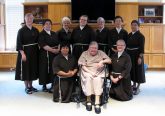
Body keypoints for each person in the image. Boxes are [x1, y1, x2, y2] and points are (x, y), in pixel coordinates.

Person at [78, 41, 111, 114]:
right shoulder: (84, 53)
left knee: (98, 79)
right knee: (88, 78)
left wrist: (102, 62)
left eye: (95, 48)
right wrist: (91, 73)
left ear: (98, 48)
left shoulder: (101, 52)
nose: (93, 49)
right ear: (89, 48)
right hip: (87, 71)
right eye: (92, 48)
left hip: (99, 71)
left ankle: (97, 102)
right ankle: (88, 100)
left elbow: (109, 60)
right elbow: (82, 65)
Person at [15, 13, 39, 94]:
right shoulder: (21, 31)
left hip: (34, 52)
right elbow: (19, 43)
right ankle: (26, 87)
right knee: (26, 70)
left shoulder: (36, 30)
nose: (29, 20)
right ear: (25, 20)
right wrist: (22, 54)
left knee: (32, 69)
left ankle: (31, 86)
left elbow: (39, 41)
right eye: (27, 18)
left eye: (31, 18)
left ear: (33, 20)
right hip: (25, 52)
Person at [38, 19, 60, 92]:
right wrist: (53, 50)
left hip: (54, 54)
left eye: (50, 24)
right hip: (45, 54)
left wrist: (58, 49)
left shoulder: (54, 33)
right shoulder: (41, 34)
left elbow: (58, 43)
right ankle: (44, 85)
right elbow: (43, 45)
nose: (48, 25)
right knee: (44, 69)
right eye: (46, 24)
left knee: (52, 69)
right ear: (43, 25)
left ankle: (52, 85)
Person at [127, 20, 145, 95]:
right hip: (130, 55)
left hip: (137, 55)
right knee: (132, 70)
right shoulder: (129, 35)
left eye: (135, 25)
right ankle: (133, 84)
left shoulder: (141, 36)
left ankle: (138, 87)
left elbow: (142, 48)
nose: (133, 26)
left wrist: (140, 57)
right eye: (132, 25)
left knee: (138, 70)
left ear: (138, 26)